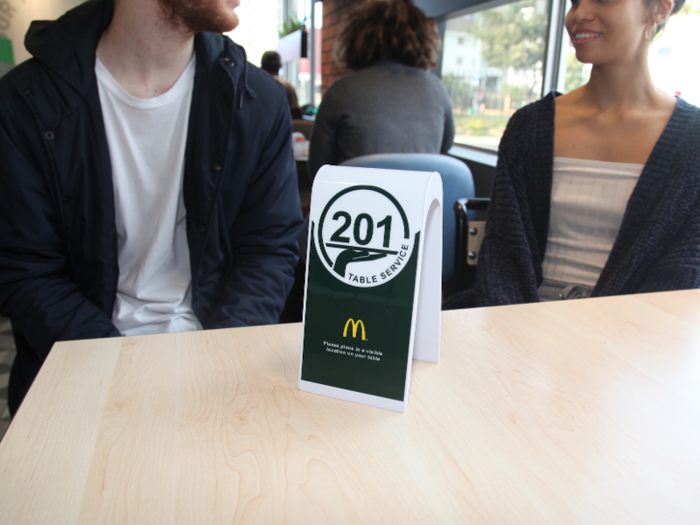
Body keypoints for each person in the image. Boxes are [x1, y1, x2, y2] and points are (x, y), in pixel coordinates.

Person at [0, 0, 304, 415]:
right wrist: (126, 370)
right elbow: (25, 271)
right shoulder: (24, 103)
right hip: (80, 370)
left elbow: (269, 249)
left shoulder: (258, 102)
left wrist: (218, 360)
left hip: (219, 366)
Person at [445, 0, 700, 309]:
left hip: (633, 333)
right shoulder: (528, 128)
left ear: (658, 9)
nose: (578, 15)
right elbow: (502, 256)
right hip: (518, 318)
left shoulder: (692, 141)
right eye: (575, 2)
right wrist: (517, 333)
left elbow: (682, 275)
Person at [307, 0, 455, 180]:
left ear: (356, 38)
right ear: (423, 39)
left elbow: (317, 169)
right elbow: (445, 146)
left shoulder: (341, 91)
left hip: (357, 204)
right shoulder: (437, 89)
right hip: (421, 205)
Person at [261, 50, 302, 119]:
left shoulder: (256, 84)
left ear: (262, 67)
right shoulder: (286, 85)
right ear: (278, 68)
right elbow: (295, 112)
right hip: (281, 127)